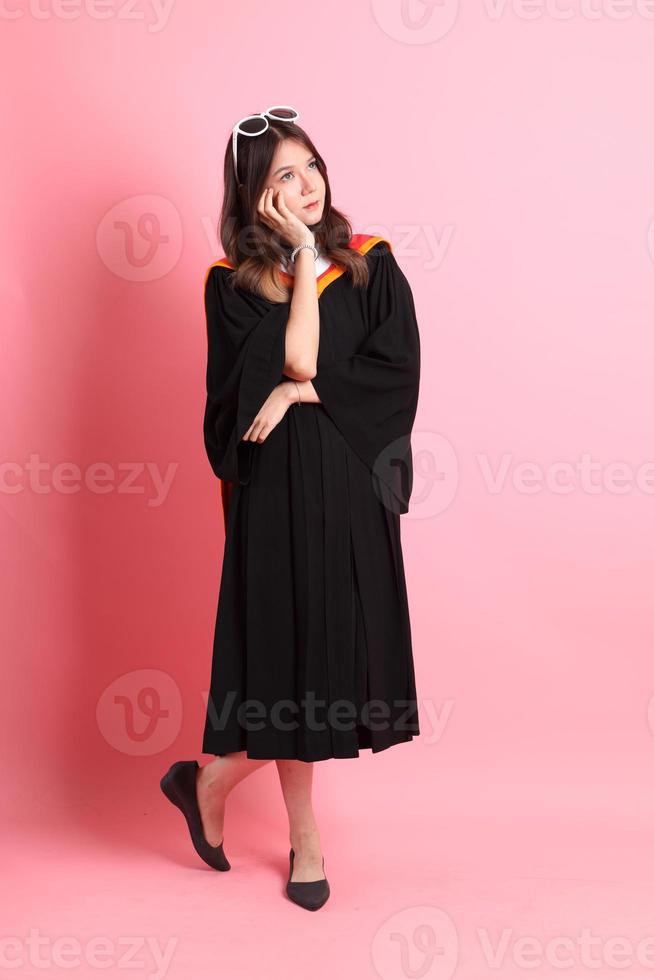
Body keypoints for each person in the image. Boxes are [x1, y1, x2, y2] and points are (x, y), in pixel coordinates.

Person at [160, 106, 422, 911]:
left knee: (328, 668)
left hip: (348, 490)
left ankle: (208, 782)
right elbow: (292, 355)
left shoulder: (374, 264)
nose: (304, 186)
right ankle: (304, 837)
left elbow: (392, 375)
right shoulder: (230, 287)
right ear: (253, 199)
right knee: (285, 662)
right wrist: (305, 262)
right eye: (281, 177)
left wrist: (298, 388)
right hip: (274, 498)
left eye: (309, 167)